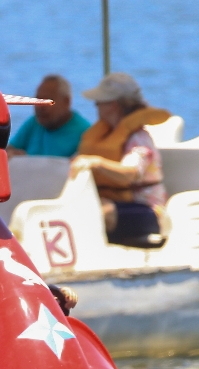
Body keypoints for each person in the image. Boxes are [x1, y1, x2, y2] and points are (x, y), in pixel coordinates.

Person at [69, 72, 171, 248]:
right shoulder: (104, 135)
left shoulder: (139, 138)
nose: (96, 107)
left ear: (114, 105)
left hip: (147, 211)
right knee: (79, 207)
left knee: (102, 213)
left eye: (99, 102)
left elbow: (129, 174)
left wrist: (97, 163)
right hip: (115, 203)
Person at [7, 74, 90, 158]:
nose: (40, 106)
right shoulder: (34, 123)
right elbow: (8, 151)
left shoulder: (85, 134)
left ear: (66, 102)